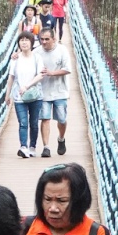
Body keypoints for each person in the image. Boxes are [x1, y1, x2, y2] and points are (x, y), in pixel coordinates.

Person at [36, 25, 70, 159]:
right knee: (45, 118)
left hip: (60, 91)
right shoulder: (36, 52)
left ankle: (61, 138)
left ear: (54, 39)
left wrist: (51, 73)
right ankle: (46, 147)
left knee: (61, 119)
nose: (43, 42)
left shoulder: (62, 50)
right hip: (43, 92)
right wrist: (15, 56)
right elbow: (25, 59)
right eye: (41, 39)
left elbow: (67, 69)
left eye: (46, 39)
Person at [9, 31, 44, 158]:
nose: (24, 42)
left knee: (34, 123)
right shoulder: (15, 59)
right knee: (23, 122)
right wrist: (7, 96)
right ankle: (23, 147)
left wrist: (27, 86)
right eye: (21, 40)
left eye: (26, 40)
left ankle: (32, 147)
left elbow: (41, 75)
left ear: (31, 42)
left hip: (35, 95)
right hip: (19, 97)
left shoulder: (37, 58)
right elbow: (11, 78)